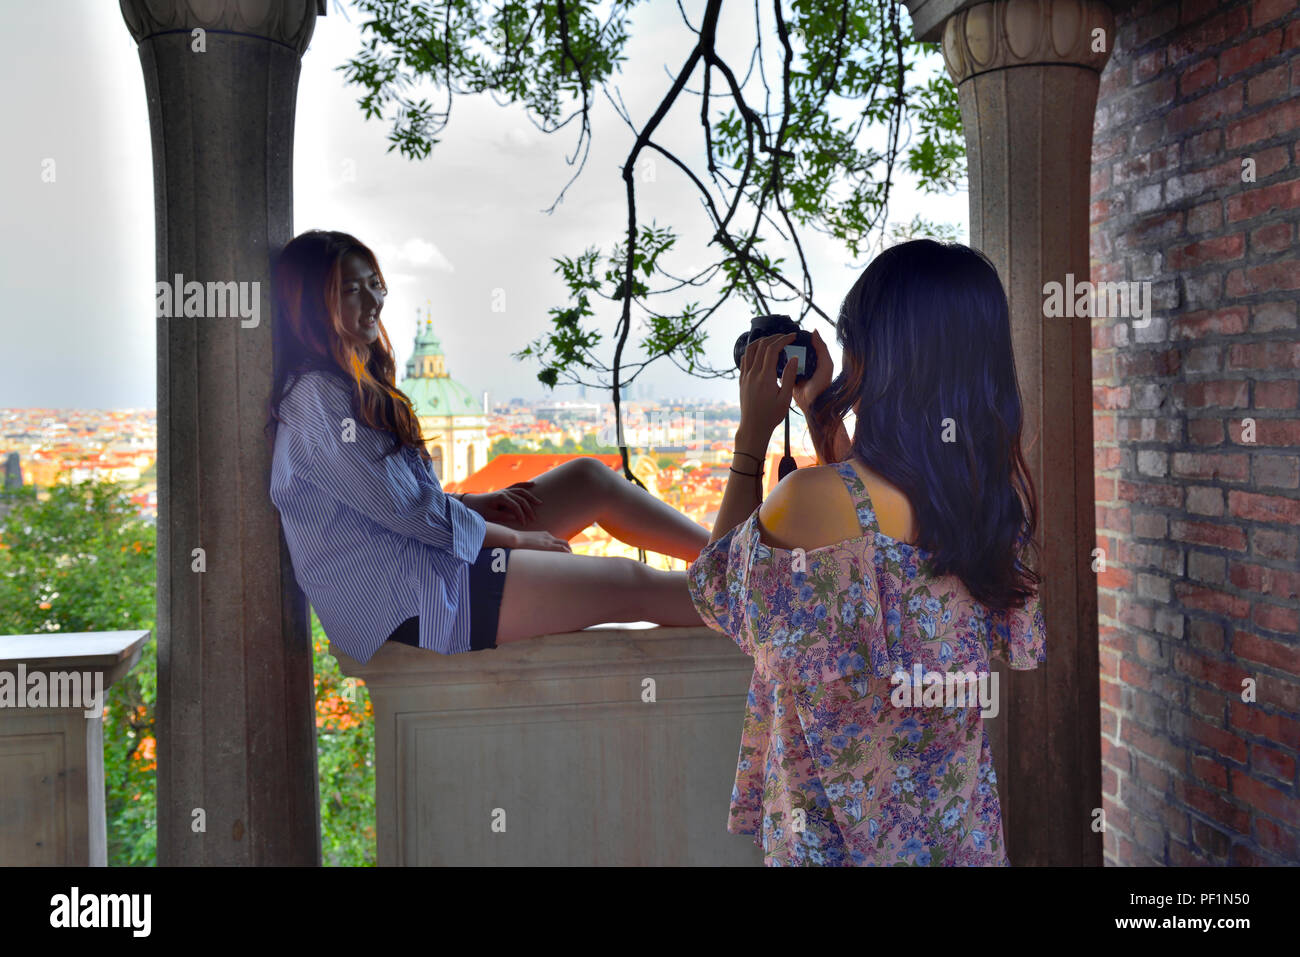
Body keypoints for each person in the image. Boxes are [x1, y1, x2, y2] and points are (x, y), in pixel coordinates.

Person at [688, 239, 1048, 866]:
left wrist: (752, 435)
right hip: (961, 838)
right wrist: (823, 420)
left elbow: (718, 594)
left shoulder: (806, 501)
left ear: (869, 357)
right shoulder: (990, 508)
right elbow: (880, 530)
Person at [267, 230, 709, 665]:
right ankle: (760, 603)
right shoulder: (320, 397)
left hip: (425, 558)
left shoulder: (348, 382)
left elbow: (394, 498)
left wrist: (473, 503)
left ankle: (735, 556)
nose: (372, 302)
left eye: (374, 285)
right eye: (349, 290)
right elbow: (406, 512)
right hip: (406, 598)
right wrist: (515, 538)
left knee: (588, 479)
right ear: (311, 306)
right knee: (628, 582)